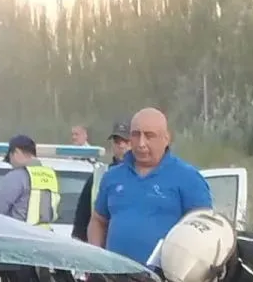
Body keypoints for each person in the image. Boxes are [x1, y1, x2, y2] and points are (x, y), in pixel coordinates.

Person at [87, 107, 212, 264]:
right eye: (135, 135)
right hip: (115, 280)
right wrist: (96, 258)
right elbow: (98, 221)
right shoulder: (112, 176)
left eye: (149, 136)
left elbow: (204, 232)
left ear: (166, 138)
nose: (141, 143)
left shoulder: (189, 179)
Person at [72, 120, 131, 242]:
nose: (121, 146)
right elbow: (82, 218)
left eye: (126, 141)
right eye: (117, 141)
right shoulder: (99, 175)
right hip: (101, 249)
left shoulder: (143, 176)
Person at [0, 134, 59, 226]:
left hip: (19, 234)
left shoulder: (16, 176)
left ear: (17, 152)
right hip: (45, 235)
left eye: (10, 158)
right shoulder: (50, 175)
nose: (11, 164)